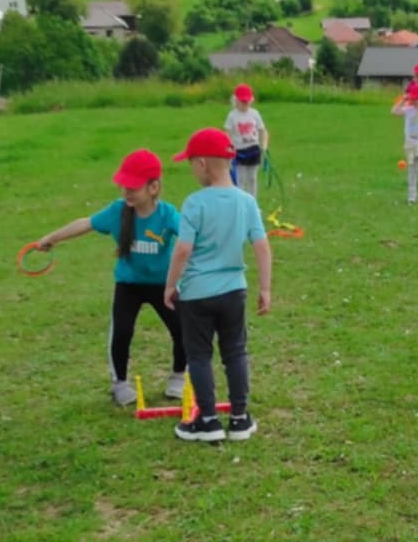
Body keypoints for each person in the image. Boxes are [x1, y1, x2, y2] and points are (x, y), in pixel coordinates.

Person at [27, 149, 186, 407]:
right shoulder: (118, 211)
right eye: (124, 186)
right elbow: (86, 223)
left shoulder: (167, 214)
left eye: (133, 187)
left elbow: (189, 236)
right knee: (121, 331)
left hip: (162, 285)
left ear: (153, 187)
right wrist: (51, 238)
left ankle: (178, 376)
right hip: (129, 285)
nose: (126, 192)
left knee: (182, 329)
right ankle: (119, 383)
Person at [164, 128, 273, 442]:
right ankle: (239, 419)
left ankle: (208, 421)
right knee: (235, 353)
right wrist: (265, 289)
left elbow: (183, 250)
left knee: (199, 355)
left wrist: (170, 285)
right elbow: (262, 246)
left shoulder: (194, 203)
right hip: (233, 292)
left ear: (201, 164)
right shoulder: (247, 201)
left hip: (196, 294)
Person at [224, 83, 267, 198]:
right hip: (239, 151)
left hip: (254, 150)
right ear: (236, 100)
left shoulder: (255, 114)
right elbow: (227, 133)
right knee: (241, 179)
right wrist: (229, 149)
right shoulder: (232, 116)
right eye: (242, 102)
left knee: (252, 178)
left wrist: (264, 146)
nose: (245, 104)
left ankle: (253, 201)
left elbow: (262, 130)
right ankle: (241, 201)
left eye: (247, 102)